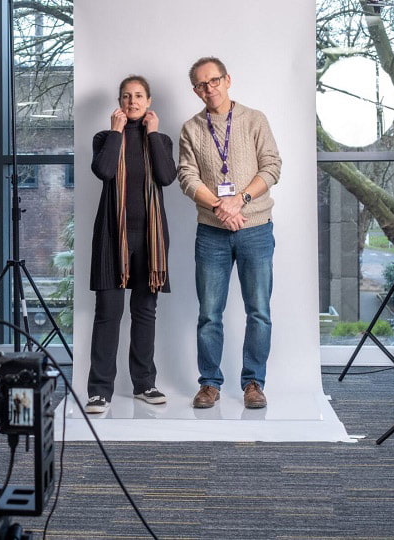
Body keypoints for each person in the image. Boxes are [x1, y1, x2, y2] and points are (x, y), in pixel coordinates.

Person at [178, 57, 281, 409]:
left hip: (256, 229)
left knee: (259, 311)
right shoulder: (191, 129)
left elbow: (272, 167)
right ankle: (209, 383)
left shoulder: (255, 119)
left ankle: (253, 382)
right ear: (195, 90)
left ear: (228, 79)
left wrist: (239, 199)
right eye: (202, 84)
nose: (210, 88)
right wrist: (220, 208)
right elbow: (187, 177)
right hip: (211, 233)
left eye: (215, 80)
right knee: (209, 313)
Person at [84, 75, 177, 414]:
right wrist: (115, 132)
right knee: (108, 313)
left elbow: (167, 177)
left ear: (149, 102)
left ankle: (144, 384)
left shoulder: (161, 140)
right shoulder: (105, 138)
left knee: (145, 313)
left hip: (150, 240)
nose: (132, 102)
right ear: (119, 102)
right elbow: (105, 171)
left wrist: (152, 134)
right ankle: (99, 390)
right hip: (113, 239)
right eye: (126, 96)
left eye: (139, 96)